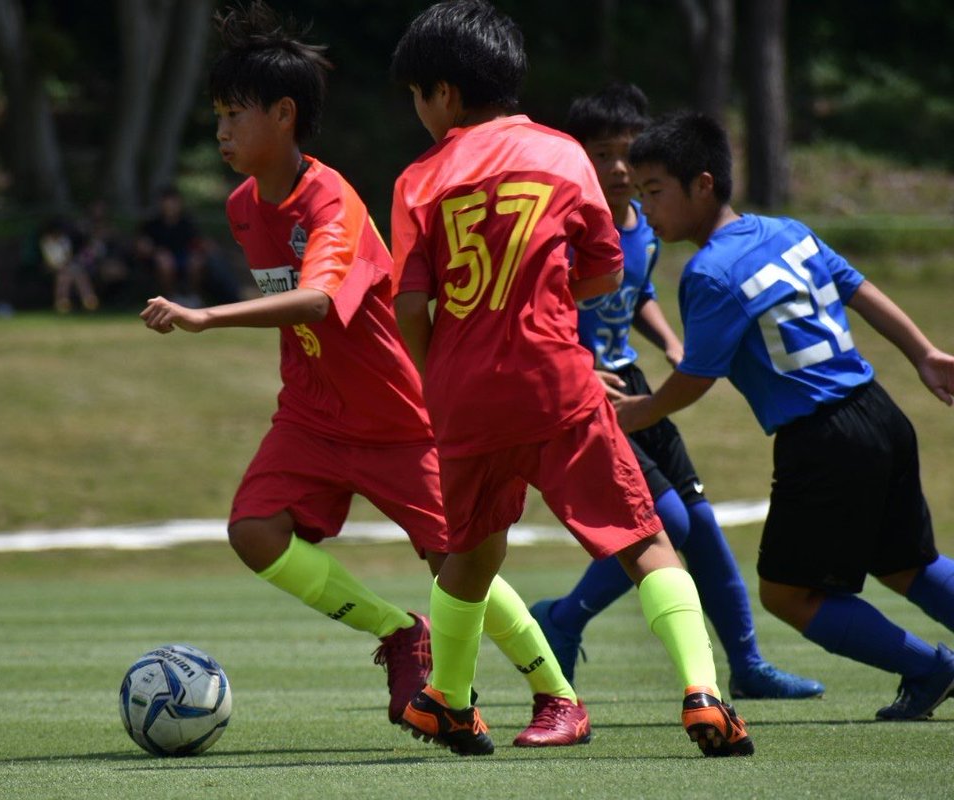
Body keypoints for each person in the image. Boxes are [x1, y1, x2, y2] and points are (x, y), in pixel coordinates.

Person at [140, 0, 589, 750]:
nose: (219, 131)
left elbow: (316, 300)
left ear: (284, 115)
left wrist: (202, 317)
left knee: (457, 561)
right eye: (215, 114)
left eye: (233, 114)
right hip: (312, 417)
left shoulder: (332, 200)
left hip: (398, 417)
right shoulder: (244, 204)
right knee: (253, 532)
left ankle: (557, 696)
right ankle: (398, 632)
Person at [388, 0, 752, 757]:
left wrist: (439, 371)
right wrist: (542, 295)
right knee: (643, 539)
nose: (419, 112)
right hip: (554, 379)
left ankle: (448, 701)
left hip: (465, 392)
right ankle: (703, 694)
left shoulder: (419, 179)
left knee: (473, 551)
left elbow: (413, 304)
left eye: (418, 96)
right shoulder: (561, 155)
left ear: (444, 94)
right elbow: (603, 272)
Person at [616, 109, 954, 722]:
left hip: (822, 440)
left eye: (655, 192)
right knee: (911, 566)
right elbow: (860, 288)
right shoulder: (788, 230)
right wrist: (924, 353)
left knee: (787, 594)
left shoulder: (709, 273)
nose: (648, 208)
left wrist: (639, 412)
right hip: (880, 414)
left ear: (703, 184)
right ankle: (932, 669)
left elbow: (696, 376)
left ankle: (931, 668)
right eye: (640, 194)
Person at [527, 83, 824, 701]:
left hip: (631, 383)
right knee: (666, 520)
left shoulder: (644, 226)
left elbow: (634, 295)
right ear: (576, 155)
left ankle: (747, 665)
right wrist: (578, 364)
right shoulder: (561, 226)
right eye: (601, 153)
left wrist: (669, 341)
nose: (616, 168)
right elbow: (537, 309)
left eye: (627, 154)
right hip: (586, 393)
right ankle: (562, 618)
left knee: (704, 525)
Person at [134, 187, 208, 307]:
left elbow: (198, 243)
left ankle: (193, 296)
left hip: (183, 257)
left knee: (196, 261)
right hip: (157, 260)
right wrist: (154, 251)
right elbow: (142, 246)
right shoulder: (151, 224)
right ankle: (171, 298)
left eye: (174, 202)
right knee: (165, 261)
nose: (171, 206)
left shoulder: (187, 223)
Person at [38, 217, 99, 313]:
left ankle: (63, 302)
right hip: (51, 267)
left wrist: (65, 264)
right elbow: (49, 260)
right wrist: (60, 265)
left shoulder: (64, 239)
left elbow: (68, 256)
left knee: (70, 274)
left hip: (66, 267)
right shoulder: (46, 241)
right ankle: (87, 297)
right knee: (71, 273)